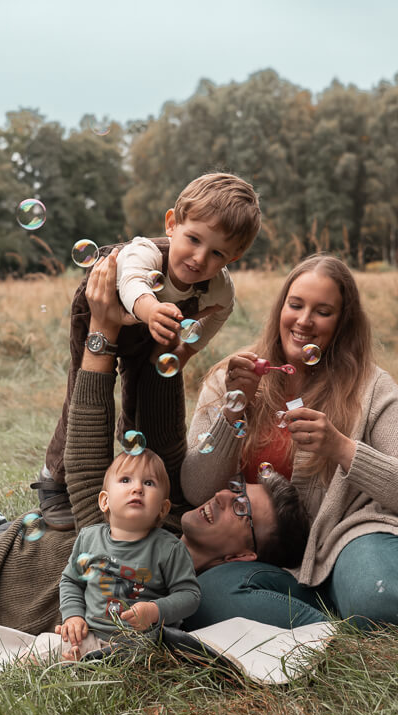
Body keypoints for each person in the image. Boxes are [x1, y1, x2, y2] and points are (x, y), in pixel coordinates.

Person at [0, 252, 308, 636]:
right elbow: (160, 442)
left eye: (242, 508)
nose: (222, 498)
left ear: (242, 555)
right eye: (235, 489)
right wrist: (165, 348)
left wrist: (100, 332)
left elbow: (85, 474)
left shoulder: (150, 577)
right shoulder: (173, 516)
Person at [181, 253, 398, 631]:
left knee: (378, 597)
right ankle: (326, 625)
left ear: (342, 323)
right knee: (206, 595)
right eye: (295, 305)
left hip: (347, 537)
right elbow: (196, 488)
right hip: (259, 556)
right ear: (281, 307)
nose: (304, 321)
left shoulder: (371, 388)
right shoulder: (231, 378)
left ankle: (342, 596)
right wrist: (233, 413)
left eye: (323, 311)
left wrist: (341, 448)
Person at [36, 173, 261, 526]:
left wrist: (188, 349)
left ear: (235, 255)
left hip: (154, 327)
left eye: (217, 252)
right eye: (194, 239)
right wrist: (151, 310)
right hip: (106, 306)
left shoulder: (219, 288)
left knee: (146, 394)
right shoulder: (145, 252)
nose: (199, 259)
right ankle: (56, 477)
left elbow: (219, 314)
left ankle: (136, 467)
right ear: (172, 224)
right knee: (85, 391)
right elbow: (131, 283)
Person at [56, 449, 201, 660]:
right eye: (125, 480)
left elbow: (190, 595)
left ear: (163, 508)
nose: (137, 488)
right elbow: (71, 581)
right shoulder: (89, 539)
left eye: (149, 483)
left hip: (144, 644)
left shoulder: (169, 549)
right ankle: (80, 659)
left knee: (149, 660)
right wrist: (73, 616)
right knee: (44, 647)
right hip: (91, 633)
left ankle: (86, 663)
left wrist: (154, 610)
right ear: (104, 501)